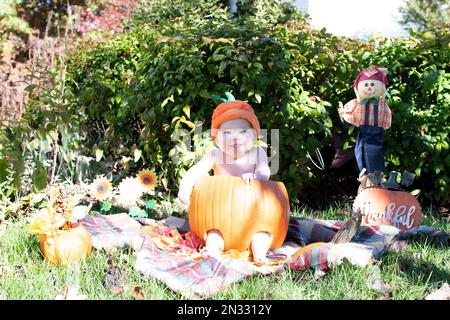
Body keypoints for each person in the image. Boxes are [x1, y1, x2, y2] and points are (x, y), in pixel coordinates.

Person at [177, 97, 272, 262]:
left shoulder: (257, 153)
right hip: (221, 215)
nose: (235, 137)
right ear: (217, 138)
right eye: (227, 132)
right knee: (214, 233)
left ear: (254, 134)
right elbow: (195, 171)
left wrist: (256, 177)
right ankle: (213, 250)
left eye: (243, 131)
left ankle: (260, 254)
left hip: (252, 214)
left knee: (261, 233)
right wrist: (185, 187)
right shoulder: (215, 155)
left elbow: (265, 172)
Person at [338, 66, 391, 192]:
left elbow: (387, 118)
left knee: (374, 155)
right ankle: (366, 179)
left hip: (375, 136)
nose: (369, 87)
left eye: (372, 84)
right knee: (361, 153)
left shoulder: (382, 104)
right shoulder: (359, 103)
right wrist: (343, 112)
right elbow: (349, 111)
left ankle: (374, 181)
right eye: (366, 84)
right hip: (364, 134)